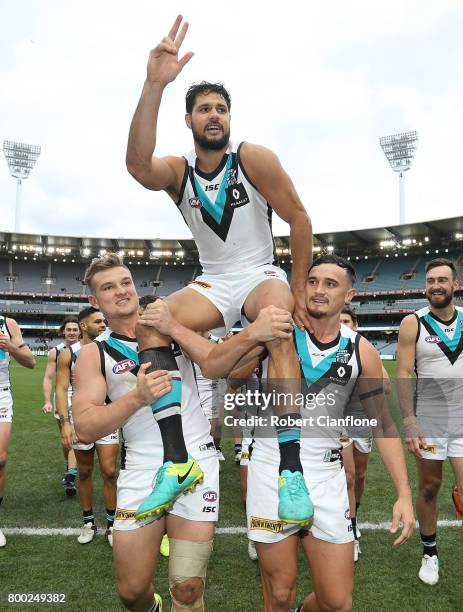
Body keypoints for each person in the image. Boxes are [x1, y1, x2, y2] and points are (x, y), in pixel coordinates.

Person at [126, 15, 313, 524]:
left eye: (222, 108)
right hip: (213, 278)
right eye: (205, 108)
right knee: (150, 321)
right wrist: (153, 84)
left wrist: (295, 293)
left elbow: (299, 218)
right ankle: (176, 460)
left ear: (230, 119)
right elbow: (139, 167)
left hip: (258, 272)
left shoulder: (252, 158)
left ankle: (290, 469)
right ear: (188, 120)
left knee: (275, 322)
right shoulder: (179, 171)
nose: (215, 115)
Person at [72, 254, 291, 611]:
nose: (121, 292)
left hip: (197, 461)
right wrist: (137, 398)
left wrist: (252, 333)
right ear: (94, 302)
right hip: (143, 468)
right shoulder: (93, 354)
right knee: (131, 591)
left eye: (125, 282)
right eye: (108, 288)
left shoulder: (171, 324)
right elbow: (85, 425)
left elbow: (216, 365)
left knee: (188, 588)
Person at [244, 255, 414, 611]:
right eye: (313, 281)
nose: (319, 290)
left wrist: (403, 494)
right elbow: (224, 369)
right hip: (272, 470)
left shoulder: (360, 350)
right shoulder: (276, 331)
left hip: (327, 476)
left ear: (350, 295)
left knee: (336, 602)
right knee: (278, 595)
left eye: (330, 284)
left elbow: (382, 424)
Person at [397, 257, 463, 586]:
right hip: (431, 420)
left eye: (442, 280)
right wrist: (409, 420)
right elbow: (404, 373)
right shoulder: (413, 323)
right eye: (431, 280)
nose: (435, 285)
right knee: (429, 487)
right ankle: (430, 553)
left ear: (456, 285)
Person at [55, 307, 119, 546]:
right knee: (83, 472)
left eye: (104, 321)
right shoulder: (68, 354)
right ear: (83, 326)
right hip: (81, 419)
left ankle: (112, 525)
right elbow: (60, 390)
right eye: (97, 322)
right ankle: (88, 521)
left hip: (107, 416)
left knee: (110, 472)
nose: (103, 325)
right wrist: (65, 423)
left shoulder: (111, 349)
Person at [339, 305, 391, 562]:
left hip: (362, 421)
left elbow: (388, 387)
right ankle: (350, 531)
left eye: (347, 320)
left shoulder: (365, 349)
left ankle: (353, 514)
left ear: (355, 324)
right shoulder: (331, 351)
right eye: (339, 321)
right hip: (338, 423)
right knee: (347, 476)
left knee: (359, 475)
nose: (343, 325)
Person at [0, 315, 36, 547]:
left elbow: (31, 361)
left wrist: (10, 346)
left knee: (0, 460)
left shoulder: (7, 324)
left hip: (1, 393)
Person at [41, 316, 80, 495]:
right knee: (66, 441)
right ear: (63, 331)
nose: (72, 332)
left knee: (73, 437)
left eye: (75, 329)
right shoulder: (55, 352)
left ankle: (71, 475)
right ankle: (71, 470)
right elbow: (48, 378)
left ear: (80, 331)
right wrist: (48, 401)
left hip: (81, 397)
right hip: (62, 397)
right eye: (69, 329)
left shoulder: (87, 349)